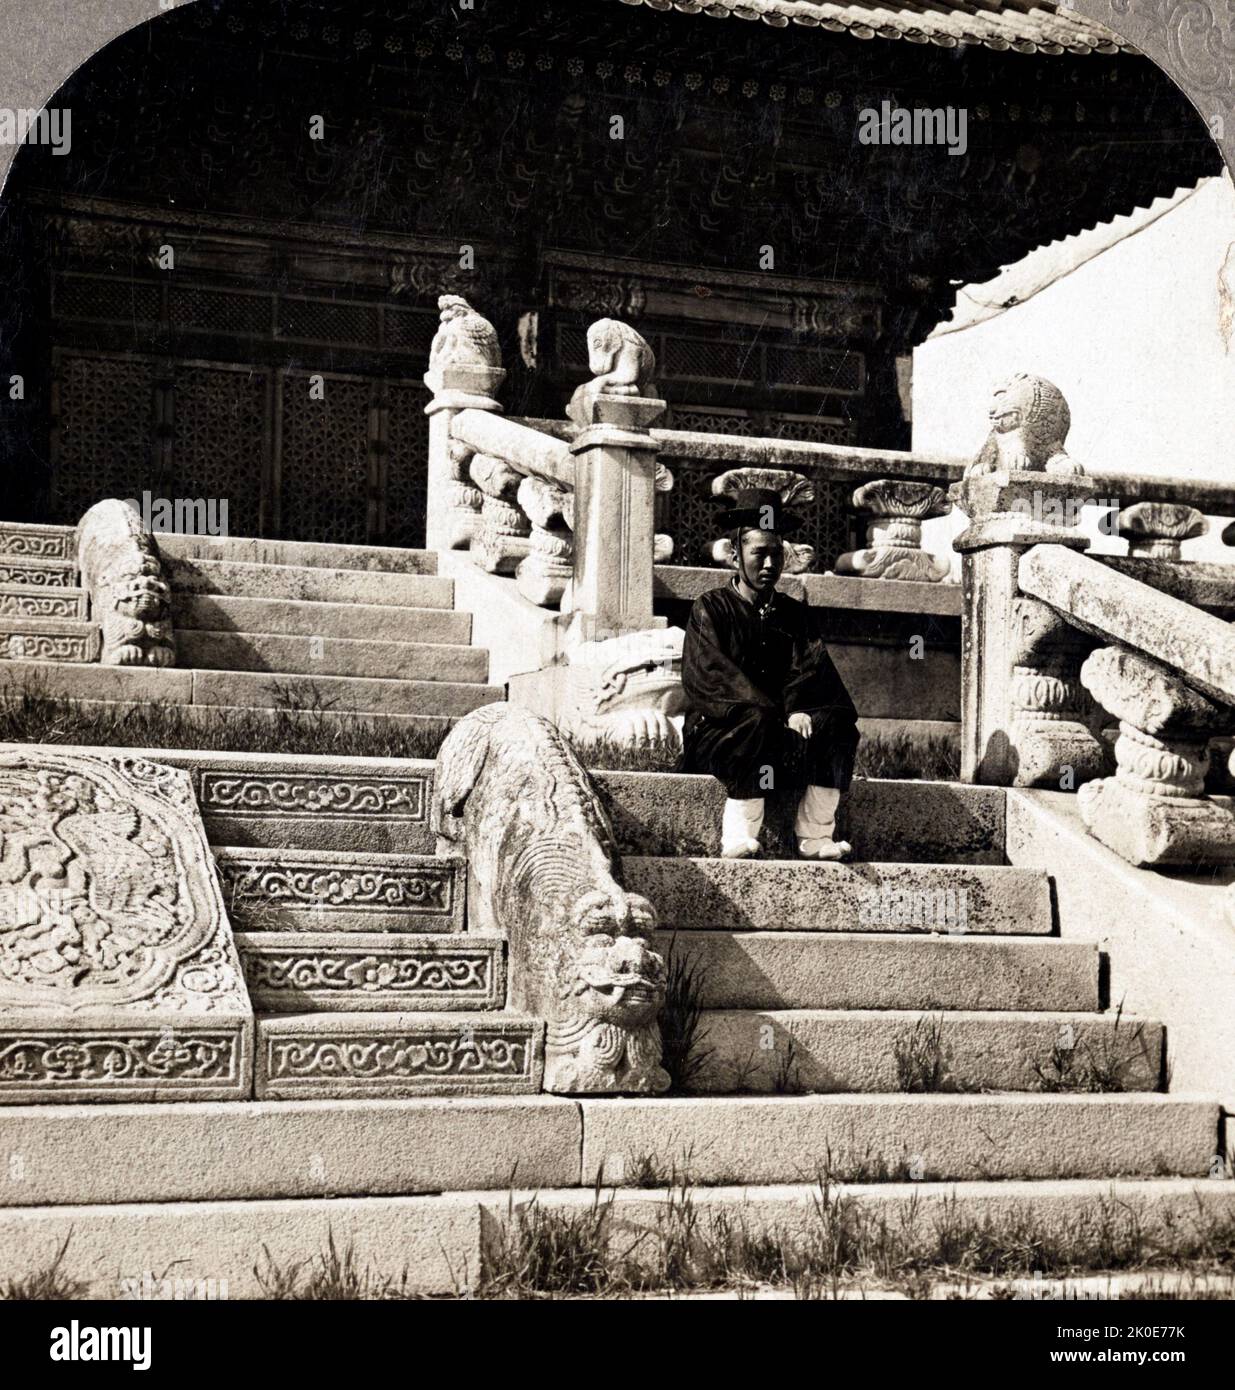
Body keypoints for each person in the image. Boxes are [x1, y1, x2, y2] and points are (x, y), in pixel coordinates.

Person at [680, 487, 860, 859]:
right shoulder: (710, 609)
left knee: (838, 723)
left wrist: (799, 709)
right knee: (756, 718)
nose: (768, 565)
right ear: (735, 555)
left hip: (777, 739)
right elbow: (712, 678)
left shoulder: (794, 613)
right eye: (758, 554)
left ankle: (814, 837)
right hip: (723, 736)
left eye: (776, 555)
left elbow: (812, 671)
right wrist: (775, 714)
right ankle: (738, 836)